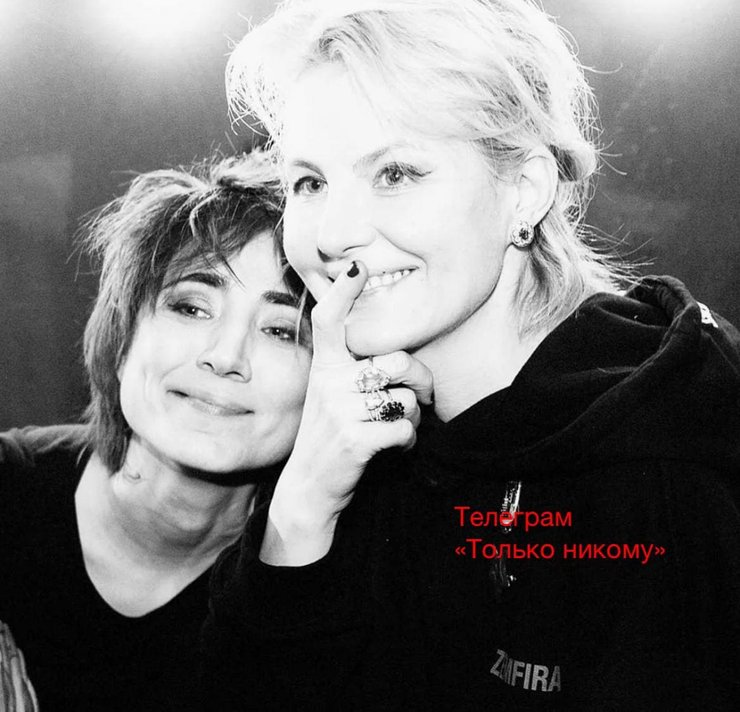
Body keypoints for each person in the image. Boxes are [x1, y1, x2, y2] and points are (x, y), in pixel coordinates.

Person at [203, 0, 740, 709]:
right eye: (309, 183)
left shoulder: (660, 474)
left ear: (524, 192)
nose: (331, 234)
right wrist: (302, 507)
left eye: (395, 173)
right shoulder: (355, 445)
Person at [0, 152, 313, 711]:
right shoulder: (10, 488)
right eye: (191, 307)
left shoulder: (331, 580)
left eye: (281, 330)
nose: (225, 357)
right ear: (123, 339)